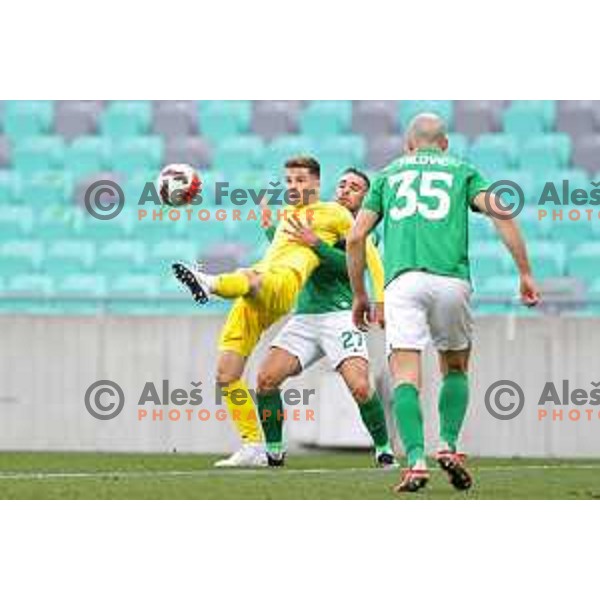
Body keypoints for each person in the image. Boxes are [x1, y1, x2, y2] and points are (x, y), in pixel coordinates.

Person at [346, 113, 540, 492]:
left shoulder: (387, 175)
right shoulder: (463, 170)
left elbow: (355, 238)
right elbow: (502, 211)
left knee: (406, 375)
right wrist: (525, 272)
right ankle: (448, 444)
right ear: (445, 143)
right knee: (454, 367)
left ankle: (416, 461)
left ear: (408, 144)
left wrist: (360, 295)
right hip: (452, 280)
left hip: (402, 282)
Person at [173, 156, 356, 467]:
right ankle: (253, 446)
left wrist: (376, 298)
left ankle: (211, 282)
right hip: (255, 284)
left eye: (300, 180)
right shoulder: (287, 214)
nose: (293, 186)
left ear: (315, 182)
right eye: (289, 180)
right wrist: (271, 229)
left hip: (282, 286)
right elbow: (282, 247)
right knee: (226, 375)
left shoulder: (333, 213)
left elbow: (360, 256)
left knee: (252, 278)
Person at [255, 168, 395, 467]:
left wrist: (315, 244)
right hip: (305, 317)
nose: (345, 189)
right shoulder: (317, 217)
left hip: (341, 315)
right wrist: (268, 223)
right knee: (266, 379)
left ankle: (384, 448)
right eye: (342, 184)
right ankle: (275, 451)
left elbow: (350, 267)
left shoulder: (363, 230)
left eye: (355, 187)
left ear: (365, 198)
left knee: (359, 386)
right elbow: (286, 245)